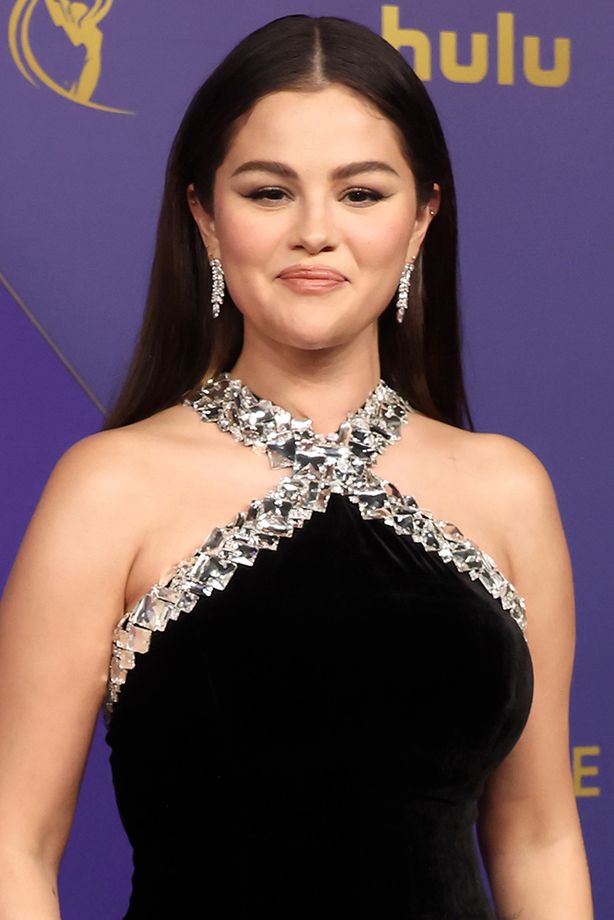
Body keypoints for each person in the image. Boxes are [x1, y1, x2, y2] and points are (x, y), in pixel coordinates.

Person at [0, 13, 593, 920]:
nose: (316, 232)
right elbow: (14, 844)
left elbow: (539, 838)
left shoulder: (508, 489)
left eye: (361, 194)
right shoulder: (108, 488)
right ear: (205, 215)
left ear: (423, 216)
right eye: (269, 192)